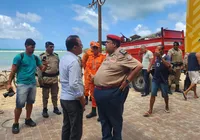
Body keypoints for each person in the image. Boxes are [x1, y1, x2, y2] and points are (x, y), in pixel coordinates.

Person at [94, 34, 142, 140]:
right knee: (104, 120)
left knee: (115, 121)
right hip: (100, 92)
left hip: (111, 93)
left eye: (107, 42)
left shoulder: (121, 54)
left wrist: (126, 81)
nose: (105, 44)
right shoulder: (109, 54)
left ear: (114, 44)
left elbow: (138, 66)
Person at [7, 38, 47, 134]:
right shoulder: (19, 57)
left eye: (34, 47)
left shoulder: (35, 58)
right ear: (26, 46)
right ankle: (16, 123)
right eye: (31, 47)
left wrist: (45, 65)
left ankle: (28, 119)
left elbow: (42, 69)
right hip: (22, 84)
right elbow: (13, 71)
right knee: (19, 105)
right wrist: (8, 83)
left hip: (33, 84)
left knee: (30, 103)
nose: (33, 49)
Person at [59, 35, 85, 140]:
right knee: (76, 130)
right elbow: (74, 84)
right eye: (80, 44)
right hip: (73, 100)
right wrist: (82, 98)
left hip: (64, 98)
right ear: (74, 47)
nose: (82, 46)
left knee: (67, 126)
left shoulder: (64, 58)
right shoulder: (74, 61)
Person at [143, 45, 171, 117]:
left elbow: (168, 65)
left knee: (165, 95)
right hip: (155, 79)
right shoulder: (156, 57)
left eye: (157, 49)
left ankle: (167, 106)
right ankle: (150, 110)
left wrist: (161, 57)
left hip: (163, 79)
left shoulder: (167, 56)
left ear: (162, 50)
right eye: (156, 49)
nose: (156, 50)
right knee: (153, 94)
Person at [38, 41, 61, 118]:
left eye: (53, 47)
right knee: (45, 96)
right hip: (46, 79)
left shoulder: (56, 56)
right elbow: (39, 69)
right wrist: (40, 80)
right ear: (46, 47)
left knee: (55, 95)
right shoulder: (42, 57)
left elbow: (59, 67)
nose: (52, 48)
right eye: (50, 47)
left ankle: (55, 107)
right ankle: (45, 109)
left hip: (54, 79)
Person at [85, 42, 105, 119]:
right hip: (92, 80)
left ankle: (101, 114)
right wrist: (91, 75)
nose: (95, 49)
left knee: (100, 97)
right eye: (93, 48)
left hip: (99, 80)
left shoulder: (103, 57)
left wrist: (96, 75)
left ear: (99, 48)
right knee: (93, 96)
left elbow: (104, 68)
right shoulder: (90, 57)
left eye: (96, 48)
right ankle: (93, 111)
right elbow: (88, 67)